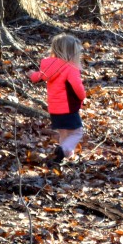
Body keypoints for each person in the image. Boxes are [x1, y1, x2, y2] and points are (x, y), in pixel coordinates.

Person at [28, 33, 87, 164]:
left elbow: (38, 77)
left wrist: (32, 75)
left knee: (64, 133)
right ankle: (64, 149)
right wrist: (83, 96)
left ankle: (65, 156)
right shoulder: (70, 68)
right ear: (72, 53)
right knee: (77, 132)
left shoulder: (49, 67)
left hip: (54, 109)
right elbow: (77, 86)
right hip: (68, 108)